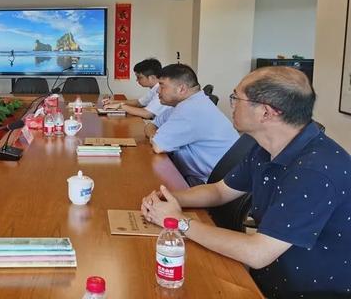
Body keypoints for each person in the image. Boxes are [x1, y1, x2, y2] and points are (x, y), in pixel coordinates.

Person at [141, 67, 351, 298]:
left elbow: (257, 252)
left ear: (266, 112)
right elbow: (220, 191)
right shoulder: (264, 146)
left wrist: (179, 222)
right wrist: (167, 198)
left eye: (236, 98)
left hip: (305, 290)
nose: (231, 106)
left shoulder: (315, 171)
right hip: (266, 278)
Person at [145, 64, 238, 185]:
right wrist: (155, 136)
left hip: (211, 184)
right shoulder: (185, 104)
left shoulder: (191, 108)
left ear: (181, 89)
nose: (158, 90)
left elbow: (158, 146)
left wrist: (156, 138)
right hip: (202, 176)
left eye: (162, 86)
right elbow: (151, 125)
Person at [103, 58, 170, 119]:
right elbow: (139, 103)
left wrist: (120, 106)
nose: (137, 80)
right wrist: (114, 102)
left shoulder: (162, 90)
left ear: (151, 77)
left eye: (139, 77)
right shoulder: (154, 89)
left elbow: (147, 114)